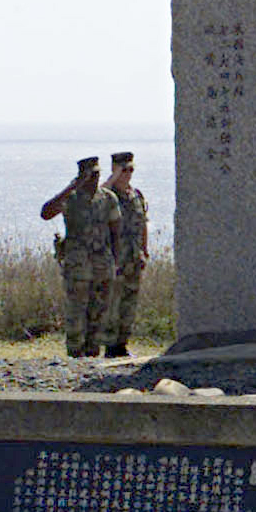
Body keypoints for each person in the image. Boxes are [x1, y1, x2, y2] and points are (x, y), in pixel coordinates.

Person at [40, 156, 120, 358]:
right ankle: (75, 354)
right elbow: (46, 213)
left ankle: (93, 353)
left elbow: (115, 230)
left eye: (96, 174)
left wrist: (116, 261)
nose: (94, 179)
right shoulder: (70, 198)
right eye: (89, 175)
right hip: (78, 266)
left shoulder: (108, 198)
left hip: (102, 264)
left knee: (99, 311)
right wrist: (72, 187)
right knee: (76, 311)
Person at [101, 150, 149, 359]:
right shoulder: (109, 195)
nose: (128, 174)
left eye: (131, 170)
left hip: (134, 257)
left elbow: (143, 223)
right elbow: (96, 195)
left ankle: (122, 344)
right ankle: (111, 346)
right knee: (113, 303)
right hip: (116, 258)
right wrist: (113, 177)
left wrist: (145, 250)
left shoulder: (136, 195)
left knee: (130, 302)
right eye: (124, 170)